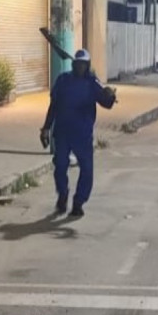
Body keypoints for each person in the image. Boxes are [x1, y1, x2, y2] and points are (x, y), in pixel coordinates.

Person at [40, 50, 118, 218]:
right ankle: (62, 195)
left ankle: (78, 202)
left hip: (82, 134)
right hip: (62, 132)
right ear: (74, 64)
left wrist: (110, 96)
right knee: (60, 166)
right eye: (78, 63)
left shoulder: (92, 83)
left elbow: (106, 102)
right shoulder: (63, 80)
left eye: (84, 64)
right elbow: (53, 106)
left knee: (87, 170)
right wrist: (46, 128)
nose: (80, 67)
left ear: (87, 65)